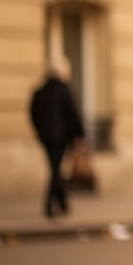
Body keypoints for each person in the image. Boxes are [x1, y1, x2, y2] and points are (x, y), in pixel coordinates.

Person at [29, 57, 85, 219]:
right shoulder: (64, 90)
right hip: (60, 137)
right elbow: (73, 114)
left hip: (45, 137)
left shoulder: (40, 91)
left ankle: (62, 203)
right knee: (55, 169)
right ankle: (48, 204)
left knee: (55, 167)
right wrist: (80, 135)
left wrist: (39, 131)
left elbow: (33, 114)